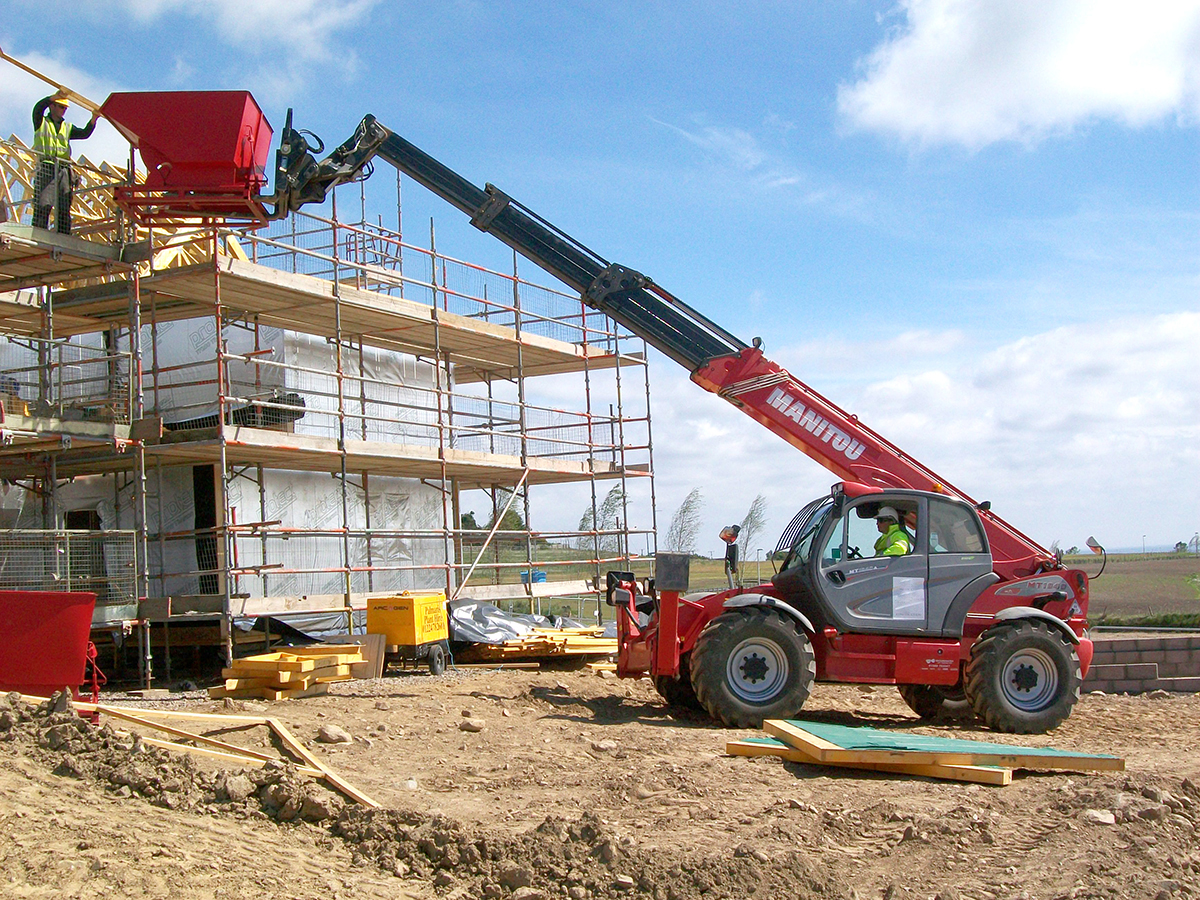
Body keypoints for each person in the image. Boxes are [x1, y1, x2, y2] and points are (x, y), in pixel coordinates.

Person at [31, 92, 97, 234]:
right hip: (47, 167)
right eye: (61, 107)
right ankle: (38, 233)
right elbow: (38, 108)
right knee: (43, 203)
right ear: (52, 106)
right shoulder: (41, 122)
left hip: (63, 169)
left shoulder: (67, 127)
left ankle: (63, 235)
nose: (63, 110)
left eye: (65, 108)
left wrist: (93, 119)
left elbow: (84, 133)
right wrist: (53, 96)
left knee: (63, 206)